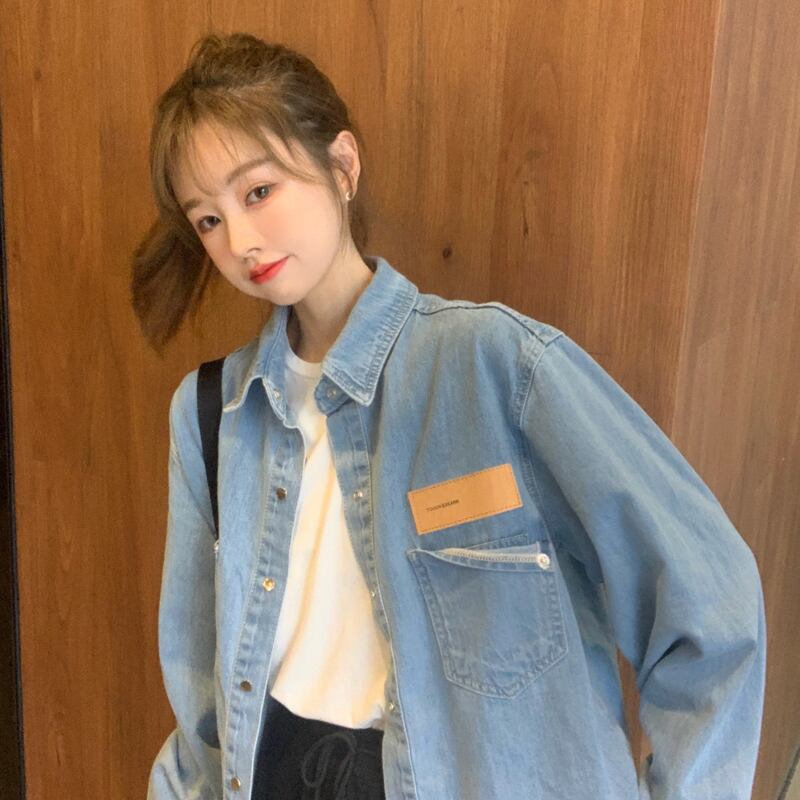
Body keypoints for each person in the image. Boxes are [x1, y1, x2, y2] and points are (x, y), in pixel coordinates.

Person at [131, 31, 766, 800]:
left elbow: (710, 605)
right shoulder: (213, 413)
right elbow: (201, 693)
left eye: (258, 191)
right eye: (207, 219)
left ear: (342, 165)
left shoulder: (497, 367)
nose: (239, 240)